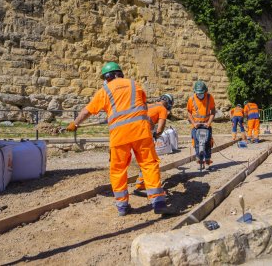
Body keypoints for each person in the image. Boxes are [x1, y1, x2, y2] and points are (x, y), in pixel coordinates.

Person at [66, 62, 173, 216]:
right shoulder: (135, 84)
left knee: (118, 170)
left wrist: (74, 124)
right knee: (149, 165)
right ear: (119, 73)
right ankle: (158, 202)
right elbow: (142, 106)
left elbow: (86, 111)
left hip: (119, 136)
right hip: (141, 132)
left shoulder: (105, 91)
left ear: (108, 77)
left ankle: (122, 206)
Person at [134, 94, 174, 196]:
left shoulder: (149, 105)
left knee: (144, 160)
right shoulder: (162, 109)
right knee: (151, 162)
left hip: (133, 134)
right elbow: (160, 129)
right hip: (144, 135)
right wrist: (156, 135)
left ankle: (141, 183)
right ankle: (150, 189)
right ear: (168, 103)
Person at [187, 80, 216, 170]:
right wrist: (194, 123)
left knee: (207, 143)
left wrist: (209, 123)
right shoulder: (191, 99)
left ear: (205, 91)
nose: (200, 95)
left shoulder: (209, 98)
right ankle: (199, 161)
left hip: (206, 125)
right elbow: (189, 113)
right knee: (196, 144)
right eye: (198, 93)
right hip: (196, 126)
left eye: (202, 93)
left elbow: (213, 111)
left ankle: (207, 162)